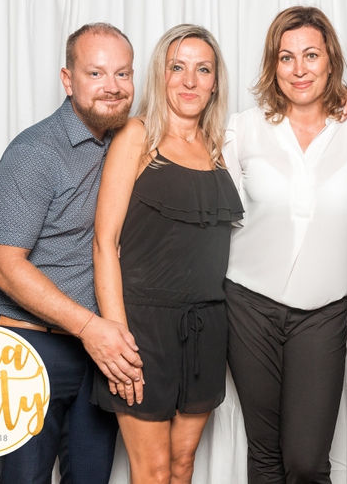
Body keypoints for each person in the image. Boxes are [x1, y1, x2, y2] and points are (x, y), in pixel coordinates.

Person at [222, 6, 347, 484]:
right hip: (248, 306)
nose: (299, 69)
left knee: (307, 461)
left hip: (323, 311)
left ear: (331, 60)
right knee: (265, 454)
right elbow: (216, 215)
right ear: (273, 65)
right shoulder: (243, 128)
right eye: (286, 57)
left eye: (311, 55)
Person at [0, 23, 143, 484]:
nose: (113, 86)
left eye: (123, 74)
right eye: (96, 73)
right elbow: (4, 266)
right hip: (27, 349)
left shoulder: (124, 141)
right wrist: (91, 328)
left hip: (95, 353)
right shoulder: (34, 153)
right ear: (68, 80)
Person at [90, 24, 243, 484]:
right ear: (160, 75)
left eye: (203, 69)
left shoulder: (221, 147)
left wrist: (344, 102)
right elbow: (104, 242)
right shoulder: (136, 136)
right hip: (143, 329)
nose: (190, 80)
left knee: (182, 465)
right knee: (153, 471)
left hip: (207, 328)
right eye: (178, 67)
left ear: (215, 81)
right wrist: (116, 335)